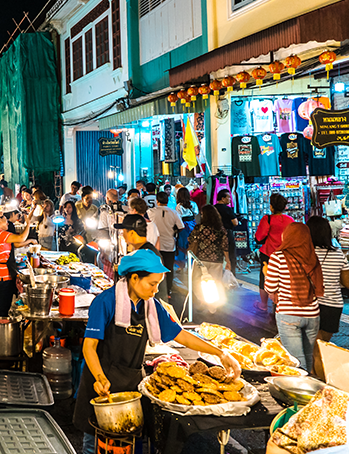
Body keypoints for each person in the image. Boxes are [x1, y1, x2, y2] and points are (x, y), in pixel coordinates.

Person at [73, 250, 241, 454]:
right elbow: (89, 346)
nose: (156, 290)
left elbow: (182, 336)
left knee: (131, 444)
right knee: (95, 444)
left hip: (131, 384)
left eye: (158, 285)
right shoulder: (106, 302)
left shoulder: (151, 306)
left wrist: (221, 353)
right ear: (134, 278)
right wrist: (99, 377)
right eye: (152, 284)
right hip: (101, 383)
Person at [264, 223, 323, 372]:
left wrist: (266, 273)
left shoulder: (278, 257)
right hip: (312, 314)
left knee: (296, 360)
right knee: (308, 356)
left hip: (288, 314)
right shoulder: (312, 256)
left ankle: (301, 391)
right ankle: (308, 388)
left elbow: (270, 287)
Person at [306, 216, 348, 343]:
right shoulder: (338, 254)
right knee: (322, 344)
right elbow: (347, 282)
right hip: (332, 306)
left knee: (310, 345)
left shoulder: (304, 254)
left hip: (309, 305)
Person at [0, 212, 34, 317]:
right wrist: (28, 224)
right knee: (3, 309)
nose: (8, 223)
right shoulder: (1, 235)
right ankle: (0, 330)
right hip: (2, 277)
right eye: (5, 220)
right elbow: (21, 238)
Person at [254, 193, 295, 312]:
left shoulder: (268, 219)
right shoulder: (290, 220)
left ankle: (263, 305)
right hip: (285, 254)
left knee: (265, 278)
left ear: (271, 207)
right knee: (283, 278)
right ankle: (280, 303)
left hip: (268, 254)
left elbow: (259, 238)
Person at [187, 205, 231, 311]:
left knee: (197, 281)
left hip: (200, 260)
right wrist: (227, 260)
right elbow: (225, 246)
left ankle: (203, 299)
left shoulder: (199, 228)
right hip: (217, 260)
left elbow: (190, 239)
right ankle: (213, 306)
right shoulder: (220, 229)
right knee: (216, 282)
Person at [148, 191, 184, 300]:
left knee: (155, 267)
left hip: (154, 244)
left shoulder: (150, 211)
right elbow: (181, 227)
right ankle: (168, 290)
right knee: (169, 268)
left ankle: (154, 289)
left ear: (157, 201)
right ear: (167, 201)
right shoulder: (173, 212)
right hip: (169, 244)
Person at [214, 189, 238, 276]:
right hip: (227, 234)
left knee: (218, 255)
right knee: (231, 255)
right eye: (228, 197)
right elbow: (235, 222)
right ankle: (231, 276)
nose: (230, 199)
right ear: (223, 198)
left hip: (215, 234)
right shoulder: (228, 209)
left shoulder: (213, 208)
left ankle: (218, 275)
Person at [175, 187, 198, 261]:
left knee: (182, 245)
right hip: (192, 225)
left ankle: (180, 264)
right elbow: (196, 213)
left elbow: (178, 216)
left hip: (183, 226)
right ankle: (192, 263)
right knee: (192, 244)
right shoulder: (193, 204)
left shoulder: (179, 206)